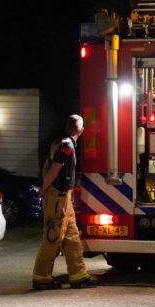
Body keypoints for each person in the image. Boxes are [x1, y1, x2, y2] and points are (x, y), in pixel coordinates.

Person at [32, 114, 98, 290]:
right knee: (52, 237)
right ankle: (41, 277)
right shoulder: (67, 146)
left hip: (62, 197)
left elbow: (46, 165)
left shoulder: (57, 142)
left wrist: (46, 186)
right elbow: (54, 169)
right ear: (81, 131)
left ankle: (78, 275)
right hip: (58, 198)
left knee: (71, 236)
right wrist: (44, 189)